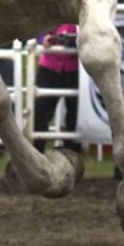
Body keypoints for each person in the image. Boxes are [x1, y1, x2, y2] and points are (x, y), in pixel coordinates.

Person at [32, 23, 80, 153]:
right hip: (50, 67)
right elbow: (37, 24)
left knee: (76, 115)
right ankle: (37, 151)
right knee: (41, 114)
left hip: (75, 68)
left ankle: (72, 154)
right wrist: (43, 39)